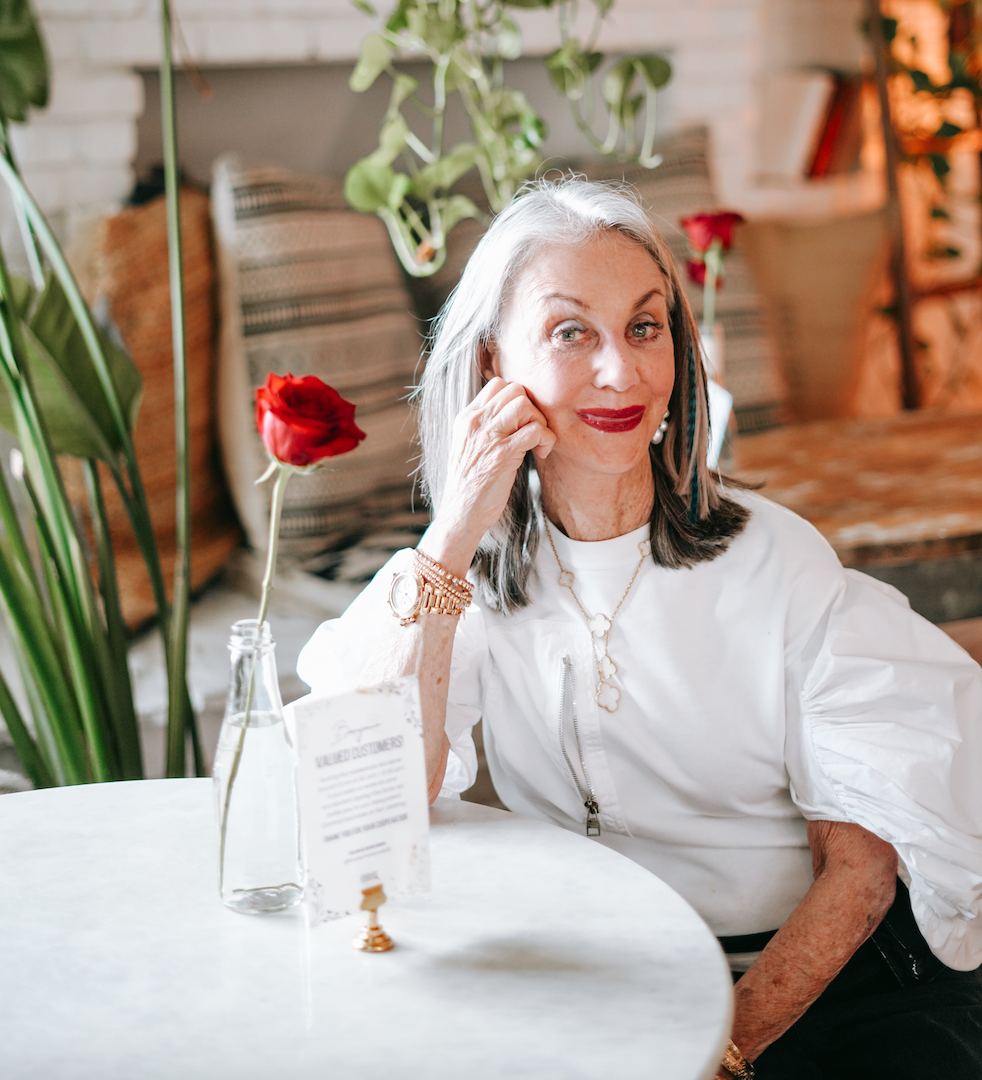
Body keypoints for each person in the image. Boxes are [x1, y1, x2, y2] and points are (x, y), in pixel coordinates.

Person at [297, 177, 982, 1078]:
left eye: (645, 326)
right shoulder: (461, 575)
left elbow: (859, 876)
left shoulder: (780, 565)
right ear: (497, 364)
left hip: (822, 988)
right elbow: (380, 801)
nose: (620, 371)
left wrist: (719, 1050)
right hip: (617, 987)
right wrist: (453, 534)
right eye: (572, 331)